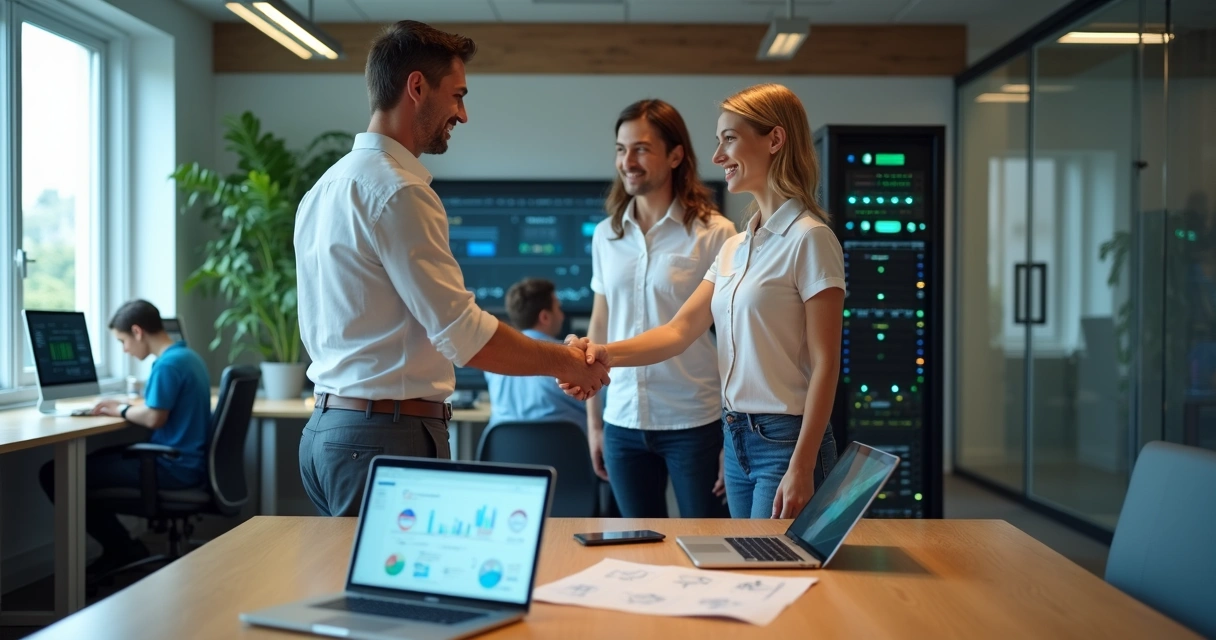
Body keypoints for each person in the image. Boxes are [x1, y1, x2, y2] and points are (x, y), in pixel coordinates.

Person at [294, 20, 609, 517]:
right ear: (416, 87)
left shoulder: (325, 188)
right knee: (399, 593)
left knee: (359, 589)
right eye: (457, 95)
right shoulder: (399, 191)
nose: (462, 114)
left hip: (331, 431)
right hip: (384, 437)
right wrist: (564, 362)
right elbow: (464, 334)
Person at [566, 84, 844, 519]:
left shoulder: (810, 238)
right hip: (736, 437)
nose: (717, 156)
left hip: (785, 439)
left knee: (776, 572)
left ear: (774, 140)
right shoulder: (738, 245)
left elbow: (828, 364)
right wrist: (603, 353)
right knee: (742, 567)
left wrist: (803, 464)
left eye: (729, 139)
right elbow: (678, 331)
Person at [585, 99, 735, 518]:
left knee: (709, 546)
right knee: (638, 549)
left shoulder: (715, 233)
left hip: (695, 422)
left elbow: (732, 338)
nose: (627, 161)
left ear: (675, 155)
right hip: (622, 422)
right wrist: (594, 425)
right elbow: (601, 323)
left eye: (640, 149)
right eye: (620, 149)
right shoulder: (606, 235)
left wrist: (731, 435)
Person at [39, 299, 212, 574]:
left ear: (137, 331)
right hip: (186, 461)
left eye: (123, 341)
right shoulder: (188, 357)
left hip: (172, 467)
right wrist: (126, 406)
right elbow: (160, 406)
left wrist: (120, 408)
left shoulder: (167, 365)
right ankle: (123, 548)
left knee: (58, 473)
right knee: (95, 460)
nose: (125, 350)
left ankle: (122, 549)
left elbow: (155, 417)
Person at [483, 279, 588, 430]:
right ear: (544, 317)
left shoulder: (492, 359)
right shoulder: (568, 357)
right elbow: (603, 403)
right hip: (564, 451)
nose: (562, 316)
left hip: (507, 452)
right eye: (558, 308)